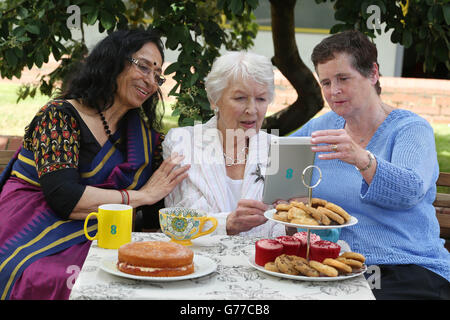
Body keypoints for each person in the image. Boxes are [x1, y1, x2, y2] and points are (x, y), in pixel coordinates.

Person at [0, 28, 189, 300]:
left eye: (157, 76)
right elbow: (64, 198)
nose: (151, 82)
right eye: (144, 67)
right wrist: (141, 195)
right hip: (32, 227)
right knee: (65, 277)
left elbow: (153, 211)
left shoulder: (144, 140)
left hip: (104, 233)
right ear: (113, 61)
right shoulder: (58, 117)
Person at [291, 30, 449, 299]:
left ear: (373, 73)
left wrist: (362, 158)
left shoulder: (410, 129)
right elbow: (276, 155)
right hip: (337, 266)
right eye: (326, 82)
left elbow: (410, 190)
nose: (334, 91)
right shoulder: (323, 126)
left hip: (405, 267)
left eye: (343, 78)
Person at [163, 51, 285, 237]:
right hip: (199, 262)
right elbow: (179, 219)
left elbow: (283, 229)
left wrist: (293, 219)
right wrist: (225, 224)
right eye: (240, 98)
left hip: (263, 263)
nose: (252, 110)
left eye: (261, 99)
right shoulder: (182, 143)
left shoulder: (278, 149)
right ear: (214, 99)